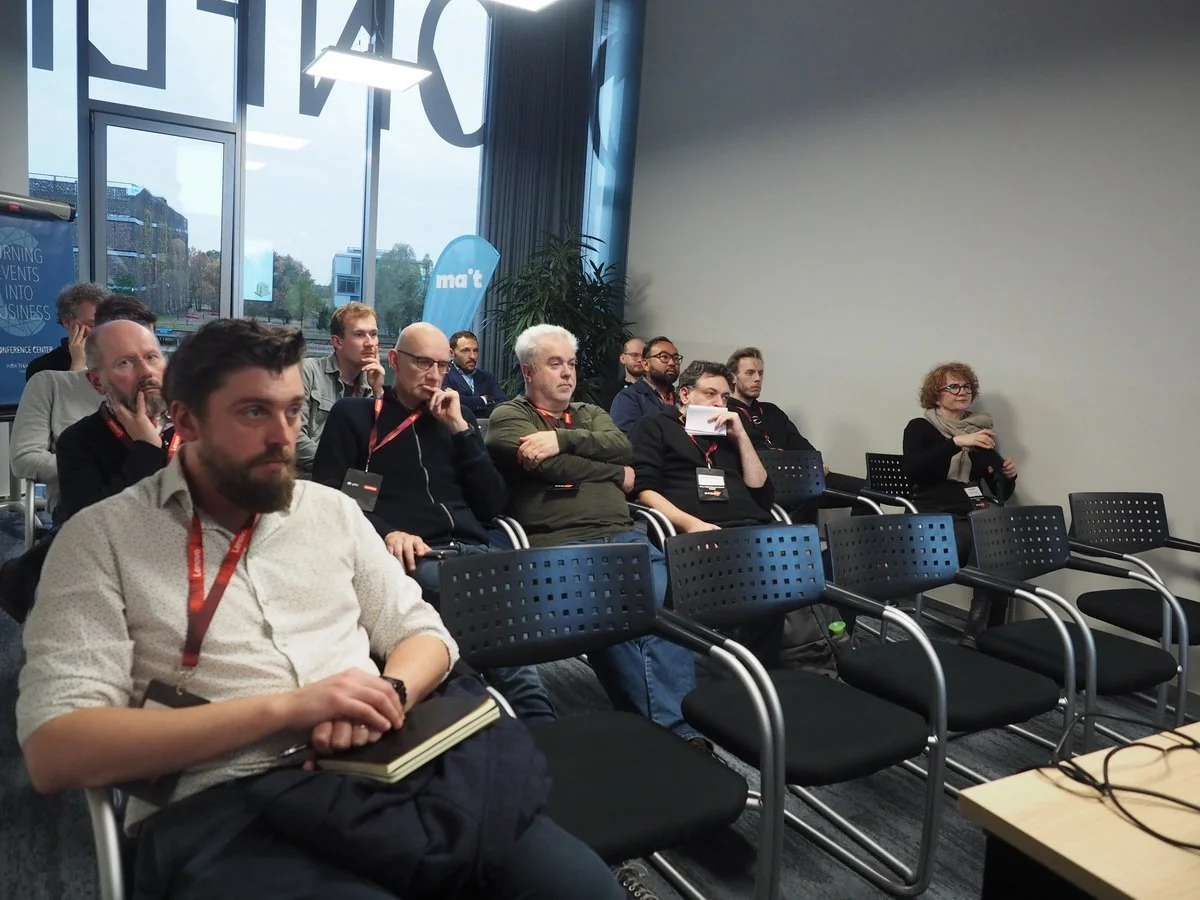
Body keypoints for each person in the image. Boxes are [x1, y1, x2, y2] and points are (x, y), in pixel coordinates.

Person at [17, 318, 624, 900]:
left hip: (387, 764)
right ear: (187, 420)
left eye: (292, 411)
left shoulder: (329, 512)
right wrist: (290, 710)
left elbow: (425, 634)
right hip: (226, 803)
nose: (283, 437)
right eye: (253, 412)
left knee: (580, 888)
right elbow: (56, 748)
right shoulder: (102, 540)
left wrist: (388, 694)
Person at [313, 322, 554, 723]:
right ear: (394, 360)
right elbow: (330, 496)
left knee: (505, 639)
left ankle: (529, 720)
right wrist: (387, 532)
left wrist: (462, 431)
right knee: (500, 645)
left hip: (475, 550)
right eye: (423, 362)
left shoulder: (454, 420)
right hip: (415, 556)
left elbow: (493, 503)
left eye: (442, 366)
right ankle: (521, 716)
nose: (434, 375)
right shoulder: (355, 415)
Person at [485, 324, 707, 748]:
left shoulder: (588, 412)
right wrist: (614, 474)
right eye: (555, 364)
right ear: (528, 371)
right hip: (562, 545)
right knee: (621, 615)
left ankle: (667, 730)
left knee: (663, 613)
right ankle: (675, 733)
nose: (567, 373)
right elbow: (549, 467)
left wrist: (561, 439)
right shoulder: (510, 416)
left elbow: (623, 447)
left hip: (624, 535)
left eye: (571, 363)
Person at [902, 361, 1018, 641]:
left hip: (970, 513)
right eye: (953, 387)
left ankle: (989, 634)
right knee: (987, 542)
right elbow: (912, 470)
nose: (962, 391)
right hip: (931, 513)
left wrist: (1008, 476)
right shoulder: (920, 427)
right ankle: (980, 634)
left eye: (966, 386)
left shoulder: (978, 431)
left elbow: (1000, 492)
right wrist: (955, 443)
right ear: (936, 395)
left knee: (999, 542)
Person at [54, 315, 174, 523]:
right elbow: (89, 526)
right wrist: (147, 451)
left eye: (152, 357)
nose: (146, 372)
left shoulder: (198, 424)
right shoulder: (78, 441)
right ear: (97, 382)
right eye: (125, 362)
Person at [631, 360, 774, 534]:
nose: (719, 403)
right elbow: (644, 492)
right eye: (710, 394)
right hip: (698, 530)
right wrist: (690, 524)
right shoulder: (655, 425)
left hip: (753, 526)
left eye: (725, 397)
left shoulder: (730, 433)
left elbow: (762, 494)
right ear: (685, 395)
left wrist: (741, 436)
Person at [725, 346, 866, 520]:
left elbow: (801, 444)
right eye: (750, 373)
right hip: (765, 487)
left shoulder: (772, 411)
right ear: (733, 377)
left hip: (799, 479)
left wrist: (815, 462)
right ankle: (802, 538)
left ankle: (860, 538)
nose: (757, 378)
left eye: (760, 373)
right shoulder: (727, 415)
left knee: (866, 491)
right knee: (805, 496)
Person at [296, 302, 386, 473]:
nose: (370, 343)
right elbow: (294, 437)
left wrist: (378, 392)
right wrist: (338, 467)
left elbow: (384, 446)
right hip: (309, 477)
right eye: (359, 335)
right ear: (337, 342)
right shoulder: (308, 371)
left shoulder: (371, 387)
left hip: (350, 480)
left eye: (373, 334)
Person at [10, 370, 103, 522]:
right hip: (84, 508)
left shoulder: (145, 392)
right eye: (124, 362)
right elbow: (24, 458)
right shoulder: (49, 383)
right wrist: (98, 469)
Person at [25, 281, 104, 381]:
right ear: (67, 321)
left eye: (105, 324)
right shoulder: (41, 369)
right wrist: (78, 364)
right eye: (92, 324)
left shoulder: (115, 358)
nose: (101, 331)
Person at [609, 335, 681, 434]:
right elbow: (626, 439)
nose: (672, 363)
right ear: (646, 364)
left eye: (676, 358)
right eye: (664, 357)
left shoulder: (683, 398)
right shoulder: (628, 397)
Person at [442, 330, 508, 418]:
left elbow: (503, 404)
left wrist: (463, 400)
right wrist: (484, 399)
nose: (472, 356)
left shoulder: (487, 377)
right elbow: (448, 403)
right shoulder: (443, 375)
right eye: (465, 351)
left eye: (475, 351)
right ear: (451, 353)